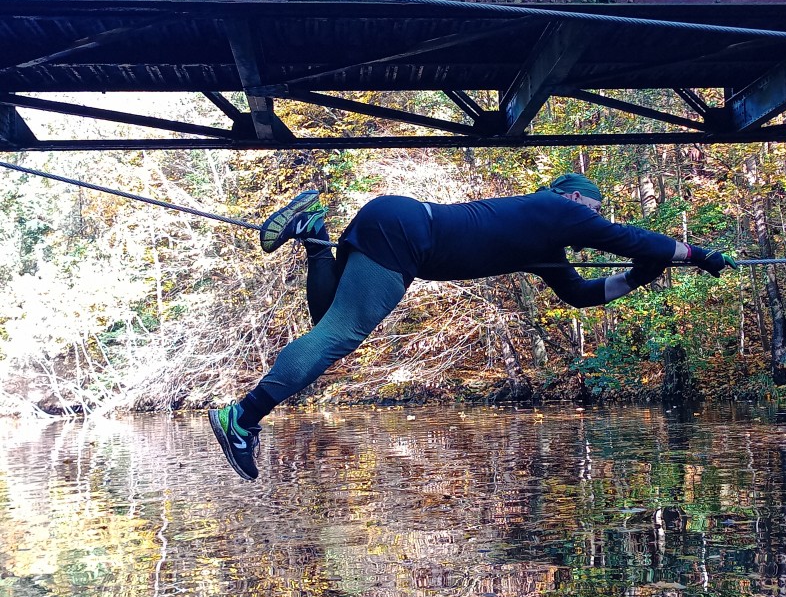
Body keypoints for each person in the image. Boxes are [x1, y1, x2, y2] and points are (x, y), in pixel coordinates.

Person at [209, 174, 736, 480]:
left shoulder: (542, 237)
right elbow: (628, 238)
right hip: (409, 234)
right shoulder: (559, 209)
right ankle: (242, 417)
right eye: (593, 211)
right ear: (576, 200)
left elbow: (579, 294)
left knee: (327, 321)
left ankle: (314, 235)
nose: (595, 219)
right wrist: (696, 254)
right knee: (340, 336)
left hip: (393, 220)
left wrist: (637, 278)